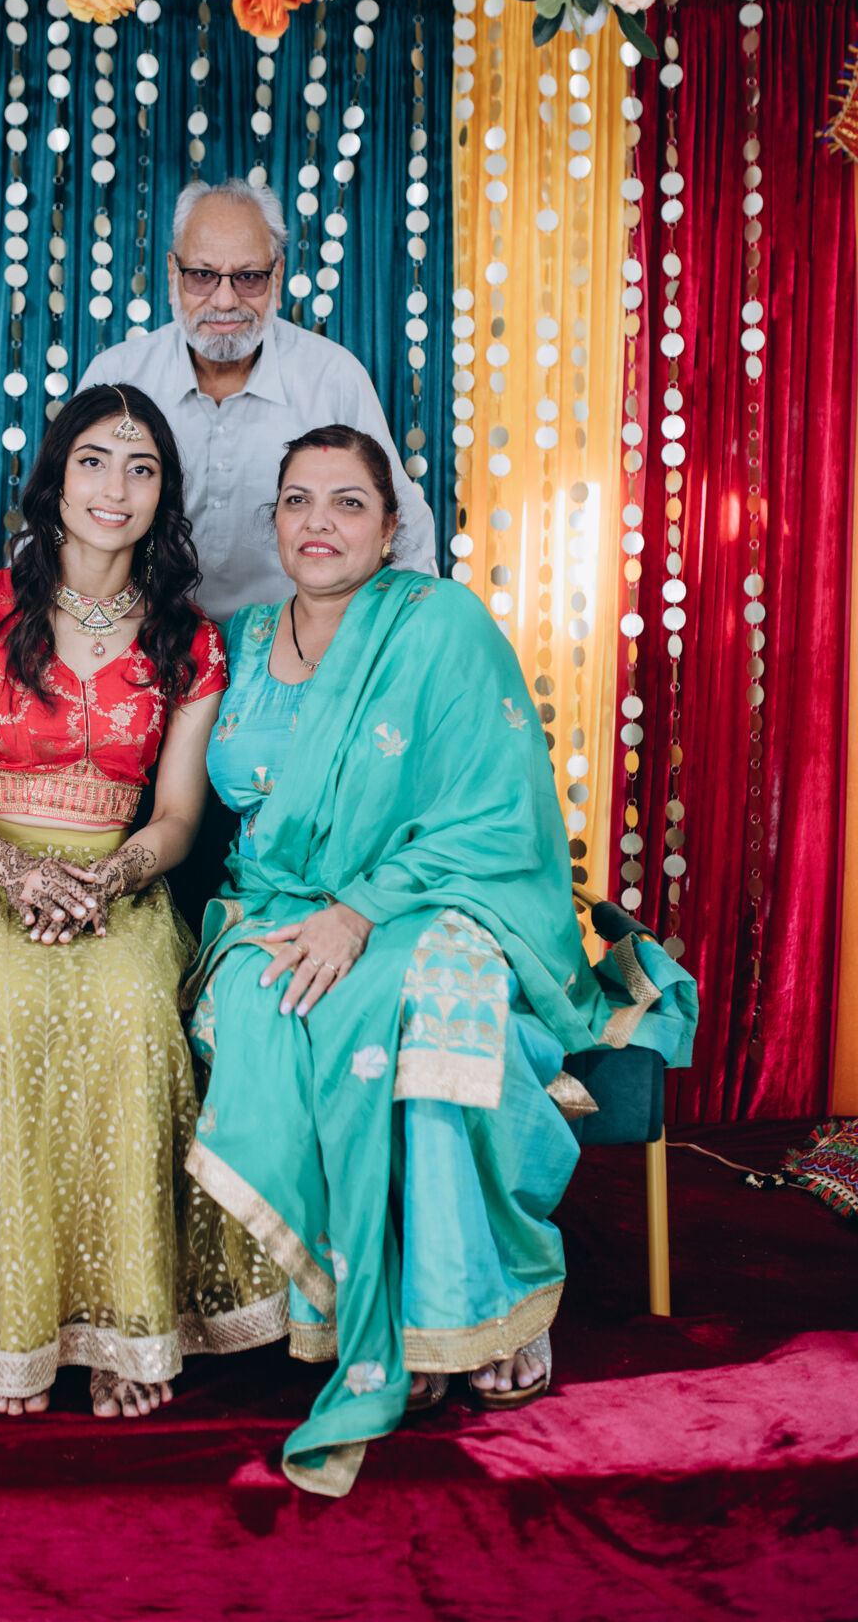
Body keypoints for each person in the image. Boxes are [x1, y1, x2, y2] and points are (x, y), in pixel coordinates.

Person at [185, 425, 698, 1497]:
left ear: (389, 529)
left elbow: (499, 816)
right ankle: (367, 1311)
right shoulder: (236, 641)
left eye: (348, 502)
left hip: (433, 898)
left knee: (436, 1005)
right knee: (272, 1005)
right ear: (272, 521)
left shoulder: (442, 625)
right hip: (272, 910)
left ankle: (475, 1305)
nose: (319, 522)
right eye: (297, 500)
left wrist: (361, 911)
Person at [0, 385, 285, 1421]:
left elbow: (176, 816)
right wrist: (14, 873)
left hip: (117, 883)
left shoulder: (190, 641)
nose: (114, 487)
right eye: (93, 460)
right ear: (55, 480)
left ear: (164, 495)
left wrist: (112, 877)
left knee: (131, 1017)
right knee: (0, 1011)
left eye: (142, 469)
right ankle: (15, 1322)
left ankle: (122, 1326)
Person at [77, 179, 440, 623]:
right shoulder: (118, 375)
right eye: (202, 275)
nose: (224, 300)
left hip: (296, 646)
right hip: (141, 641)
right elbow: (58, 512)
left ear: (278, 276)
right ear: (173, 272)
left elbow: (405, 528)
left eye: (249, 278)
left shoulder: (333, 377)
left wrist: (409, 638)